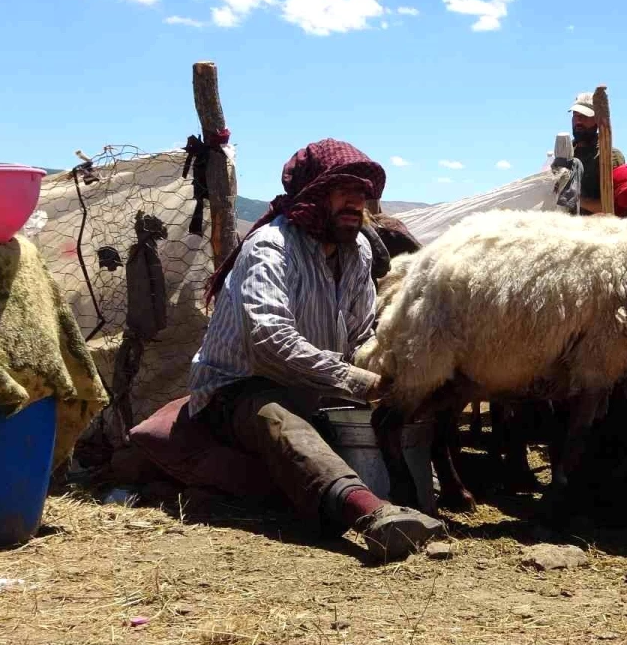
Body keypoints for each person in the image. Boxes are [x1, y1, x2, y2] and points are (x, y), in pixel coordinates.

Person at [189, 138, 446, 562]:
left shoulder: (358, 249)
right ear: (312, 193)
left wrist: (391, 370)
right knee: (277, 417)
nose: (356, 201)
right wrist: (355, 379)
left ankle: (420, 495)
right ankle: (372, 514)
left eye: (362, 192)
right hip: (241, 386)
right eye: (343, 190)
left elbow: (363, 332)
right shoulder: (271, 248)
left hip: (316, 382)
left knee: (403, 403)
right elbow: (269, 341)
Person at [568, 92, 627, 214]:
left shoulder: (608, 156)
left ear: (597, 120)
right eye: (575, 114)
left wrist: (577, 200)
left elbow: (614, 206)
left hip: (595, 228)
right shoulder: (566, 153)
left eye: (584, 115)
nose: (578, 119)